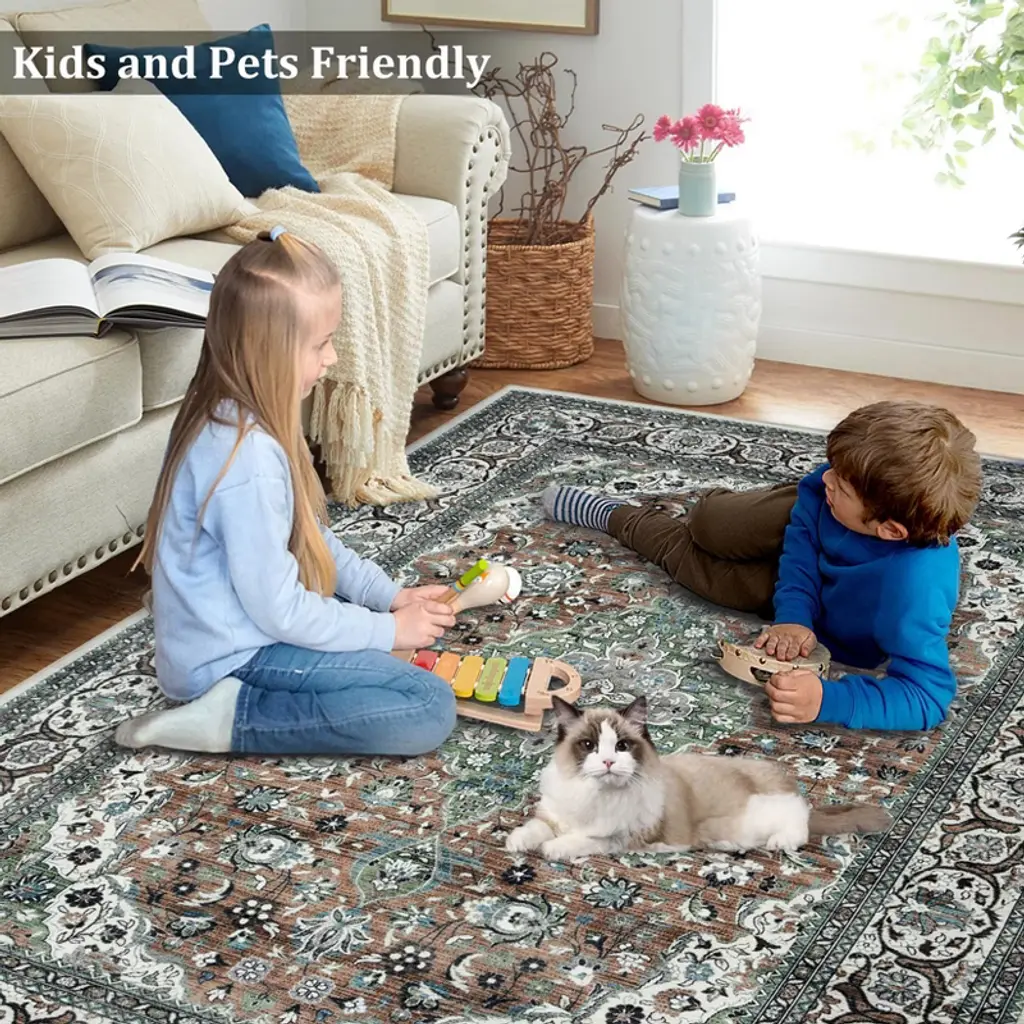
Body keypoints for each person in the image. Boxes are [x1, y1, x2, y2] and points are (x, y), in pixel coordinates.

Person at [114, 226, 457, 756]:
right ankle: (230, 721)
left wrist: (388, 599)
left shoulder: (236, 413)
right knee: (427, 706)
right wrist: (387, 632)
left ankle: (238, 699)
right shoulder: (245, 458)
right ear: (267, 351)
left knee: (350, 618)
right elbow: (282, 613)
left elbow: (311, 539)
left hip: (230, 637)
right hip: (232, 660)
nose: (332, 357)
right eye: (320, 344)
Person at [544, 401, 983, 732]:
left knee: (704, 574)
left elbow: (926, 697)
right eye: (833, 468)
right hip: (800, 528)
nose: (826, 477)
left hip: (828, 597)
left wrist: (828, 700)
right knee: (711, 524)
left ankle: (615, 516)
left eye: (842, 483)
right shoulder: (829, 488)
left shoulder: (914, 590)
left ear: (890, 530)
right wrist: (794, 614)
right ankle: (709, 506)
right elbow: (803, 541)